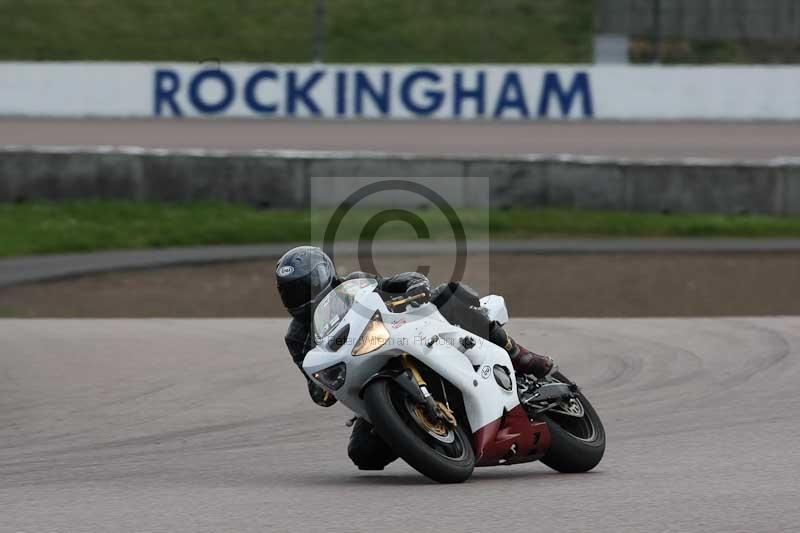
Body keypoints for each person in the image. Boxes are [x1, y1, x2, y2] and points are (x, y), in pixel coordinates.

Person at [276, 245, 554, 471]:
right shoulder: (297, 337)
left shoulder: (353, 284)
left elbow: (397, 282)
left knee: (448, 294)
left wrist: (415, 287)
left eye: (304, 286)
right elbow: (313, 381)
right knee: (363, 455)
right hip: (365, 376)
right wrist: (322, 386)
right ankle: (421, 435)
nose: (299, 296)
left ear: (322, 275)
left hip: (407, 333)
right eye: (290, 291)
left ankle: (519, 355)